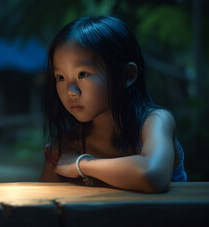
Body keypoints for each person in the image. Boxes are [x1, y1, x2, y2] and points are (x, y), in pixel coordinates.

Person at [39, 16, 187, 193]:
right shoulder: (68, 145)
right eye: (60, 78)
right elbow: (43, 203)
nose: (70, 91)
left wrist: (81, 164)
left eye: (83, 74)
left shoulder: (155, 122)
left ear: (127, 75)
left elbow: (152, 174)